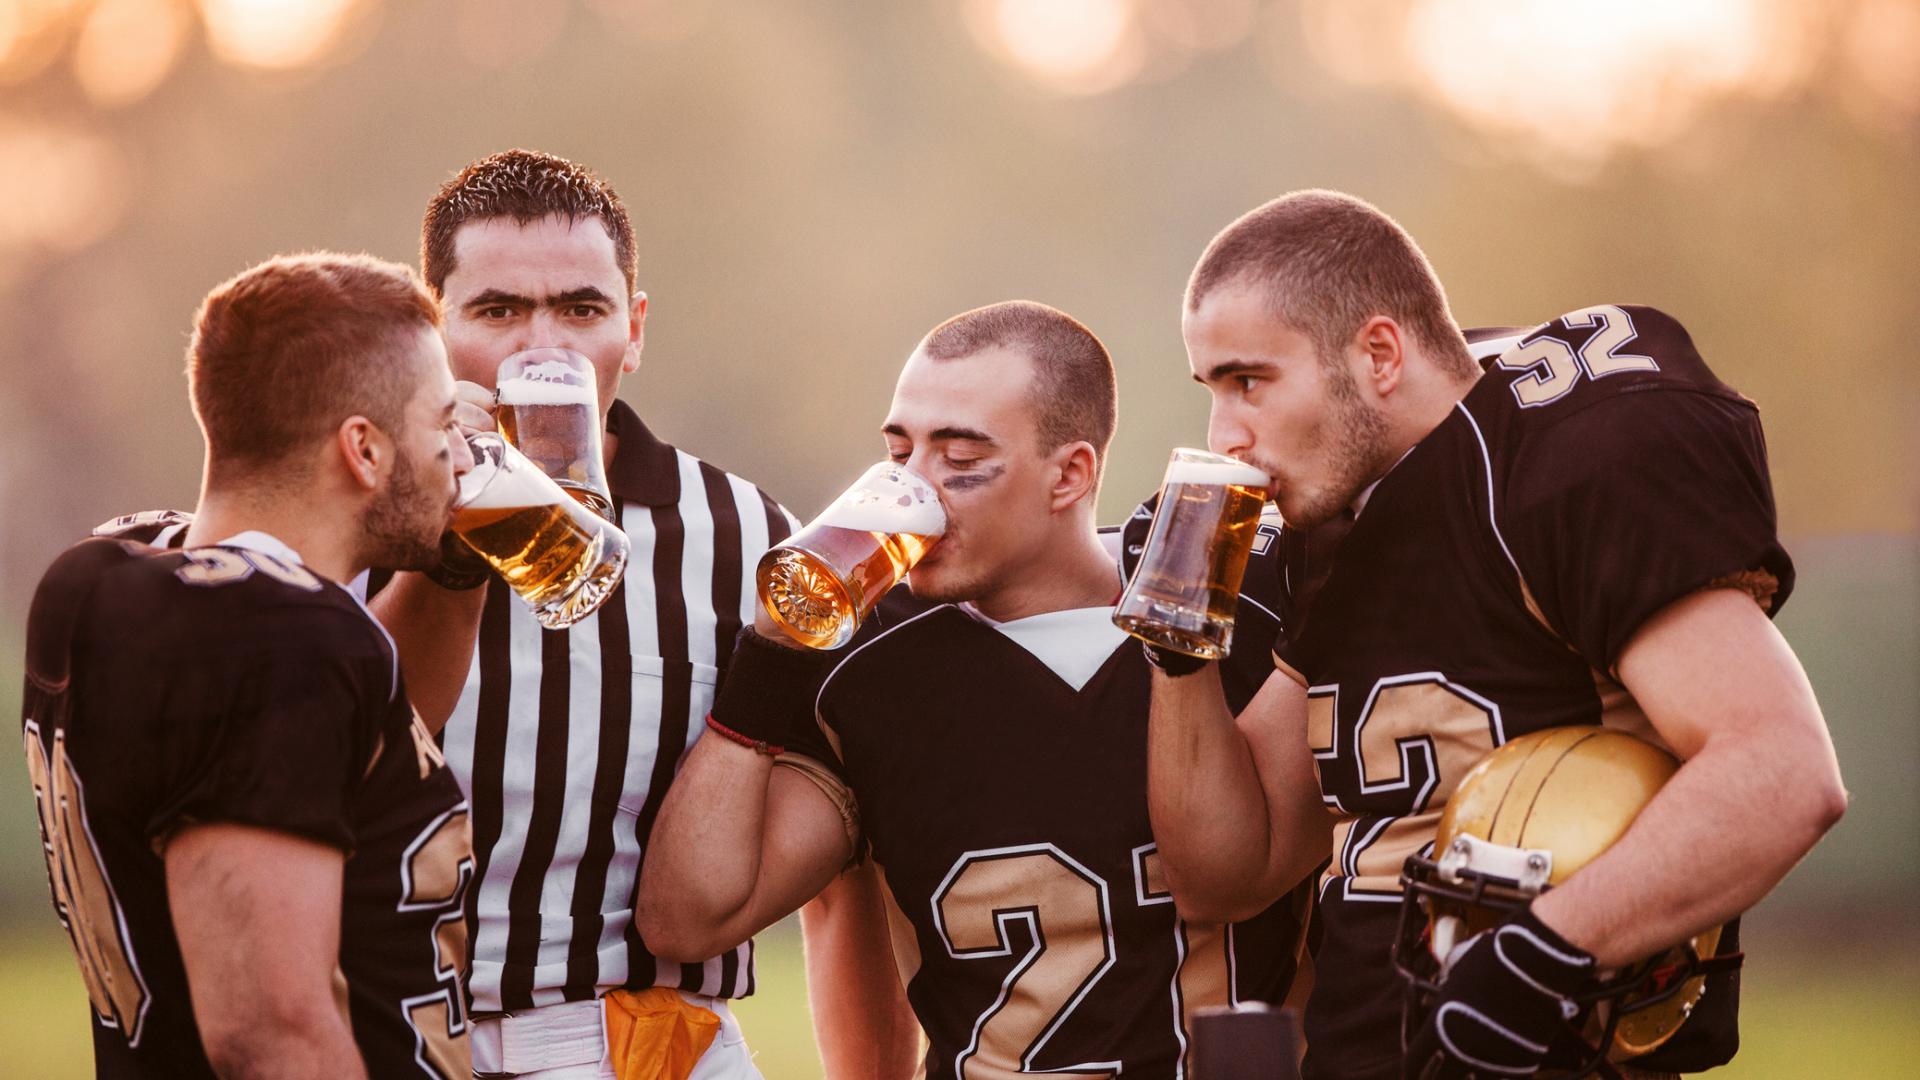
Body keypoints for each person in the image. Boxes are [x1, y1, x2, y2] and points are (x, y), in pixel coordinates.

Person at [1143, 190, 1847, 1078]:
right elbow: (1229, 872)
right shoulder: (1332, 512)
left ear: (1380, 354)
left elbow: (1783, 771)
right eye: (1212, 389)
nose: (1226, 436)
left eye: (1250, 382)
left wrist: (1544, 954)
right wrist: (1178, 652)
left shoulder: (1561, 462)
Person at [636, 300, 1313, 1080]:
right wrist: (769, 652)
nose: (917, 489)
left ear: (1070, 474)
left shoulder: (1239, 614)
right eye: (899, 453)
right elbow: (686, 919)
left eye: (960, 458)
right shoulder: (870, 665)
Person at [367, 148, 820, 1080]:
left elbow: (841, 855)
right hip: (397, 1035)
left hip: (637, 1041)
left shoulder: (741, 531)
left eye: (582, 309)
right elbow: (330, 765)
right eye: (497, 310)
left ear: (635, 326)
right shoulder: (355, 512)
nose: (545, 348)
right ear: (429, 325)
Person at [20, 253, 476, 1078]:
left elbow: (338, 749)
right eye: (443, 424)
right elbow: (271, 1035)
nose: (464, 455)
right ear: (363, 451)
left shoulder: (110, 570)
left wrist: (456, 569)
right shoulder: (277, 641)